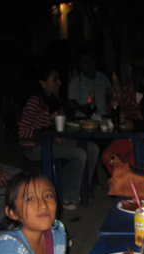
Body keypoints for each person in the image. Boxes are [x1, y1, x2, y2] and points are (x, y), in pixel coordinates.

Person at [19, 65, 99, 210]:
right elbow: (23, 132)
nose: (59, 83)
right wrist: (51, 137)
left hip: (52, 141)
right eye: (54, 80)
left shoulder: (54, 100)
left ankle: (81, 189)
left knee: (92, 148)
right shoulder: (34, 101)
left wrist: (62, 132)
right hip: (35, 147)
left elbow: (62, 122)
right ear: (43, 83)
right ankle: (67, 196)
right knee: (79, 154)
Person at [68, 50, 112, 117]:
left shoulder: (102, 77)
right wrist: (85, 109)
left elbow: (110, 93)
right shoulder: (76, 80)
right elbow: (70, 102)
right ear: (80, 65)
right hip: (83, 119)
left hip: (103, 117)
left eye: (91, 61)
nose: (89, 64)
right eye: (85, 62)